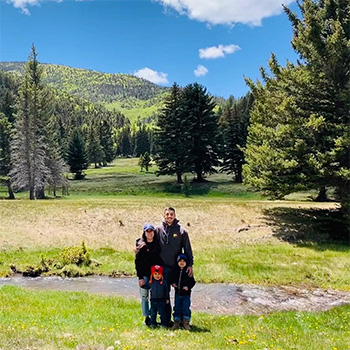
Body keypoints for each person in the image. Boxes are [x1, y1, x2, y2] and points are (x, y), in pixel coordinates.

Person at [155, 207, 194, 325]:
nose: (169, 216)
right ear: (164, 215)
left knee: (180, 295)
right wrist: (138, 245)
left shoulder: (182, 231)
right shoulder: (158, 230)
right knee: (164, 295)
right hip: (163, 268)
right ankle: (166, 320)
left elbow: (187, 249)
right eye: (167, 214)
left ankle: (182, 319)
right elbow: (147, 239)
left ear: (175, 215)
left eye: (171, 214)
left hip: (178, 269)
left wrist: (190, 264)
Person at [134, 223, 162, 326]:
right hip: (145, 275)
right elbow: (138, 263)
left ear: (154, 232)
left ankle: (155, 316)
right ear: (144, 233)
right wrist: (140, 278)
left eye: (151, 231)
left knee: (155, 296)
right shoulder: (141, 246)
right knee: (144, 296)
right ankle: (146, 317)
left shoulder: (157, 244)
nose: (149, 233)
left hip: (155, 275)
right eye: (147, 231)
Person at [170, 254, 196, 330]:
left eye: (183, 261)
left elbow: (192, 282)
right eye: (180, 261)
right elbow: (171, 279)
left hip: (186, 294)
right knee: (177, 307)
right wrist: (173, 283)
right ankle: (176, 322)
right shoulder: (175, 271)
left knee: (185, 308)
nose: (182, 263)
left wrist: (188, 287)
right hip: (177, 293)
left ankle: (186, 322)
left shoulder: (188, 271)